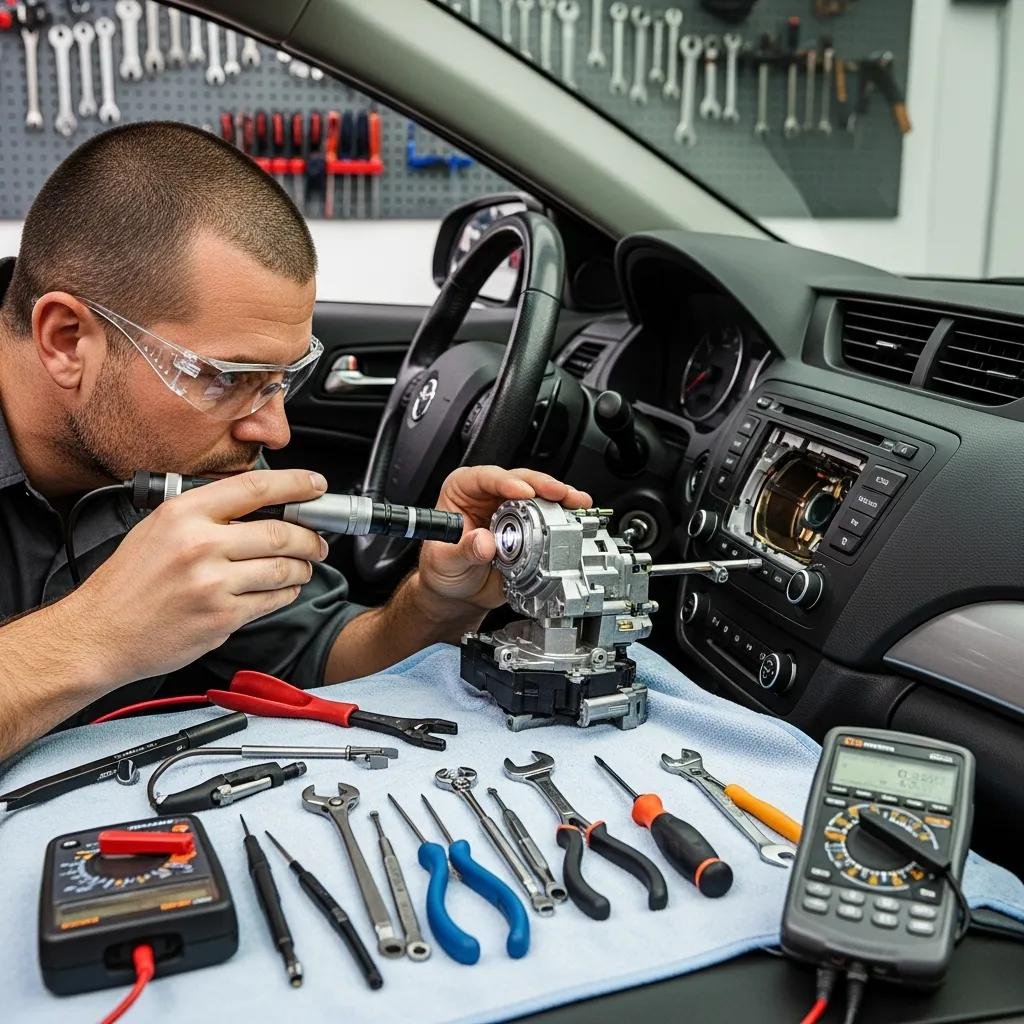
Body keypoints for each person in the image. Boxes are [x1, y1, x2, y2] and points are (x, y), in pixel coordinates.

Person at [0, 122, 590, 760]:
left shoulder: (196, 448)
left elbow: (317, 657)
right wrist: (97, 634)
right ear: (65, 340)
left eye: (285, 379)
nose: (272, 430)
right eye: (227, 378)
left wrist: (434, 604)